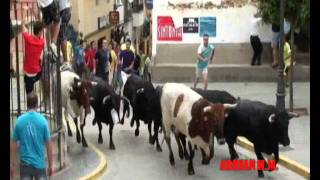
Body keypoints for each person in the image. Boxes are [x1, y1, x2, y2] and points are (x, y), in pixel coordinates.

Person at [11, 92, 53, 179]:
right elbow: (49, 145)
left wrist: (11, 164)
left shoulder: (19, 121)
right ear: (37, 105)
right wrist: (50, 165)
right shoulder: (43, 121)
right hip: (40, 165)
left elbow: (13, 145)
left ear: (27, 104)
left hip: (25, 165)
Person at [21, 6, 45, 94]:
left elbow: (22, 25)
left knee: (29, 92)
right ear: (40, 32)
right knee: (42, 65)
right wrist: (35, 12)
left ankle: (31, 98)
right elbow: (42, 25)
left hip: (28, 73)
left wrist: (24, 11)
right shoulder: (42, 42)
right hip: (38, 73)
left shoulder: (28, 38)